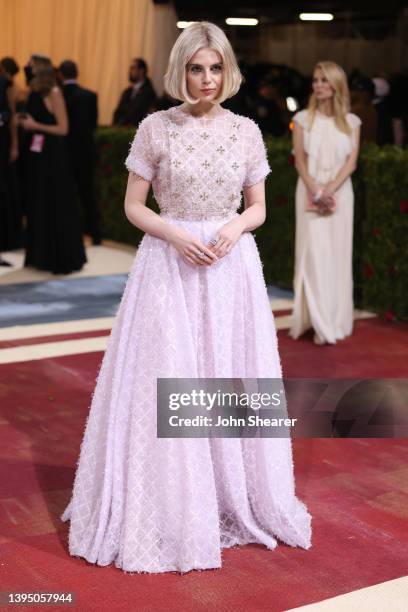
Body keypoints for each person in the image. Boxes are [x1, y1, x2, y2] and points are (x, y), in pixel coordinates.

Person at [61, 21, 312, 574]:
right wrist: (175, 234)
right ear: (181, 70)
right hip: (168, 265)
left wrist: (233, 229)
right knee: (169, 378)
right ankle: (175, 502)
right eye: (197, 68)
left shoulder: (246, 130)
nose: (207, 79)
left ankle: (231, 493)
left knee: (227, 372)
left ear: (228, 70)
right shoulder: (156, 127)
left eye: (216, 68)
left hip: (230, 270)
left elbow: (259, 208)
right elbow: (134, 206)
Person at [289, 61, 361, 345]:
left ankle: (333, 319)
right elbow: (300, 160)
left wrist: (330, 189)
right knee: (313, 255)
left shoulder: (352, 123)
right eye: (316, 79)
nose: (318, 85)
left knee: (337, 256)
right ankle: (316, 321)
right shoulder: (303, 119)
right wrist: (315, 189)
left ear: (335, 85)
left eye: (324, 80)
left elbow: (351, 163)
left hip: (341, 195)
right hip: (308, 191)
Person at [17, 56, 86, 274]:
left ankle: (58, 257)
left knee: (54, 203)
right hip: (37, 157)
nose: (27, 67)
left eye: (31, 65)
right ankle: (40, 256)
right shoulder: (33, 93)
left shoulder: (54, 93)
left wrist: (34, 124)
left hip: (53, 157)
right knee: (38, 203)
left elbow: (63, 129)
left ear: (40, 69)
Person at [59, 60, 101, 245]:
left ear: (61, 74)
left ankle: (69, 236)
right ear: (77, 73)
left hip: (64, 153)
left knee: (66, 195)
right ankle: (96, 234)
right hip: (85, 152)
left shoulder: (58, 95)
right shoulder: (90, 96)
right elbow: (92, 125)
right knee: (88, 194)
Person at [0, 57, 22, 264]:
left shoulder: (10, 88)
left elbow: (11, 119)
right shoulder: (14, 88)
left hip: (6, 145)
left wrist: (14, 144)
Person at [112, 58, 156, 126]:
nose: (130, 71)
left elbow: (144, 115)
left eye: (133, 68)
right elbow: (118, 112)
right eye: (130, 68)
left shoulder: (149, 93)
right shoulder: (127, 92)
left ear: (141, 71)